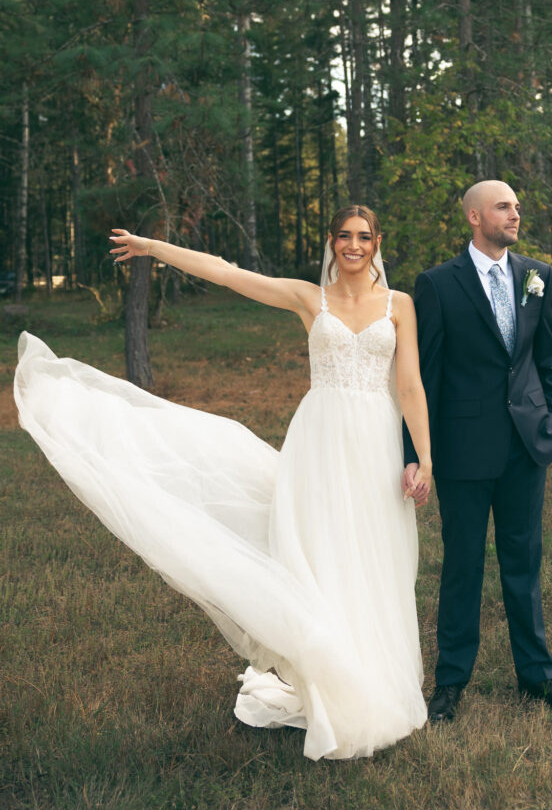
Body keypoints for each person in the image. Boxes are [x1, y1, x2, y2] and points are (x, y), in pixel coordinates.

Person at [14, 205, 433, 760]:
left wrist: (422, 458)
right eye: (343, 237)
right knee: (322, 556)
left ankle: (375, 679)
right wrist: (153, 248)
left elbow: (410, 386)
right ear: (332, 243)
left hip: (375, 443)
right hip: (321, 441)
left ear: (377, 242)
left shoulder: (400, 306)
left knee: (374, 557)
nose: (353, 246)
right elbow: (228, 273)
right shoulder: (312, 299)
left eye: (363, 237)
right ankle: (331, 684)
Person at [402, 180, 552, 722]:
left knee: (523, 564)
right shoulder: (438, 285)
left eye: (516, 207)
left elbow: (548, 357)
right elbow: (423, 378)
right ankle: (450, 683)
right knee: (462, 568)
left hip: (526, 446)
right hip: (463, 450)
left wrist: (549, 418)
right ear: (473, 216)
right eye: (504, 207)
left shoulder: (536, 275)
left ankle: (537, 678)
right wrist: (416, 452)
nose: (515, 214)